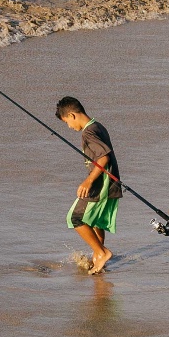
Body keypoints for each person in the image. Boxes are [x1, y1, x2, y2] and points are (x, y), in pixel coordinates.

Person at [55, 96, 120, 275]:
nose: (69, 126)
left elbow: (104, 157)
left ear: (72, 115)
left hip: (101, 185)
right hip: (111, 184)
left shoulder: (88, 132)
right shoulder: (98, 126)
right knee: (96, 221)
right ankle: (99, 257)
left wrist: (88, 180)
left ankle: (101, 252)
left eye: (67, 121)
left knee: (74, 218)